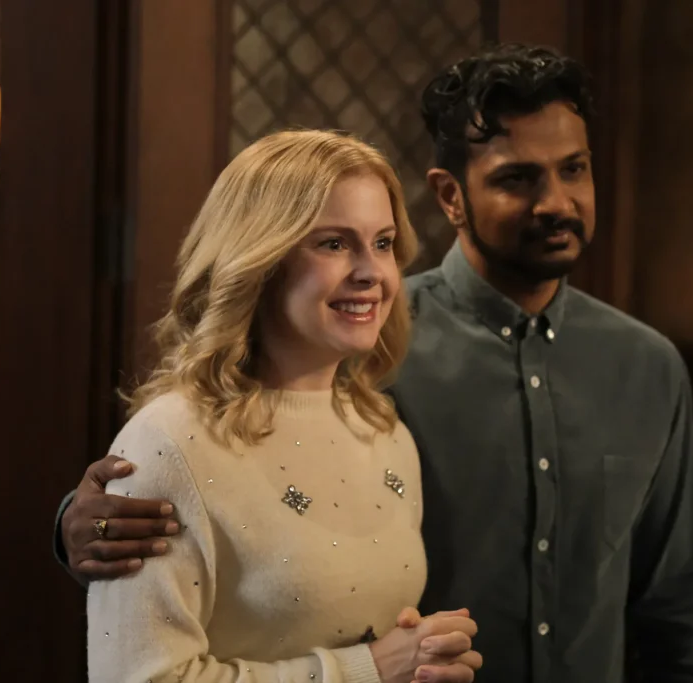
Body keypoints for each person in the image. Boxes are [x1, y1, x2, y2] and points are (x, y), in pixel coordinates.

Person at [60, 44, 693, 682]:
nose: (556, 202)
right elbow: (221, 455)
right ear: (450, 196)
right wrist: (79, 521)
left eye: (574, 169)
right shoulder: (362, 345)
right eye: (517, 178)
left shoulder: (647, 367)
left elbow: (680, 600)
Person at [84, 129, 483, 683]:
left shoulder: (382, 428)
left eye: (383, 243)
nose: (371, 272)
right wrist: (367, 670)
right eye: (334, 244)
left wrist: (422, 662)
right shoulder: (168, 441)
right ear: (259, 260)